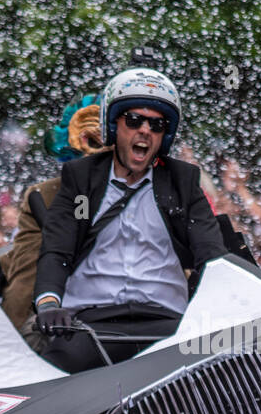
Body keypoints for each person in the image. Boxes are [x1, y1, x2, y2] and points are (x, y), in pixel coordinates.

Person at [32, 67, 226, 373]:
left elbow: (212, 256)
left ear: (165, 135)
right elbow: (58, 250)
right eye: (134, 120)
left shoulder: (183, 182)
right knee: (47, 380)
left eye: (157, 124)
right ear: (113, 126)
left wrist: (219, 309)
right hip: (88, 326)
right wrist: (48, 304)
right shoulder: (82, 180)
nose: (145, 130)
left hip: (168, 327)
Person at [0, 94, 110, 347]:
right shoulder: (46, 198)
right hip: (71, 328)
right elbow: (25, 284)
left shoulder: (161, 189)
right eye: (93, 143)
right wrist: (11, 350)